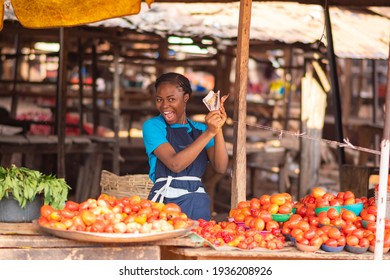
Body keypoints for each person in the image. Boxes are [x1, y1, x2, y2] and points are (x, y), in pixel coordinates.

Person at [142, 72, 229, 220]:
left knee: (198, 242)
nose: (164, 106)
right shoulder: (153, 126)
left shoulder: (200, 130)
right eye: (159, 99)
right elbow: (175, 164)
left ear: (185, 98)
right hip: (166, 205)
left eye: (171, 99)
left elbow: (220, 167)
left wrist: (217, 128)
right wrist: (209, 132)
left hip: (198, 203)